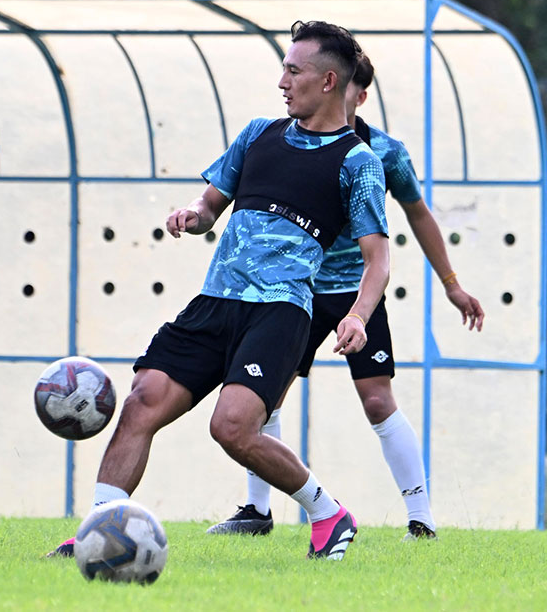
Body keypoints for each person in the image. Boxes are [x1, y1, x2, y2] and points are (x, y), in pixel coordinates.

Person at [50, 20, 388, 561]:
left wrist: (358, 316)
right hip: (215, 301)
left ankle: (329, 515)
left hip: (280, 312)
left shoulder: (358, 162)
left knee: (231, 428)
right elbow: (211, 206)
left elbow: (378, 259)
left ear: (327, 82)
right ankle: (98, 532)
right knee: (141, 402)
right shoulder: (257, 134)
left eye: (292, 70)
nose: (282, 80)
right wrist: (194, 214)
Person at [206, 53, 484, 542]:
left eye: (354, 88)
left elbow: (418, 215)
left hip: (356, 292)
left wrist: (452, 283)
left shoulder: (381, 153)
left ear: (357, 92)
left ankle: (422, 520)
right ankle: (256, 509)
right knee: (262, 399)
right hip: (295, 293)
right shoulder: (286, 139)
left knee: (377, 401)